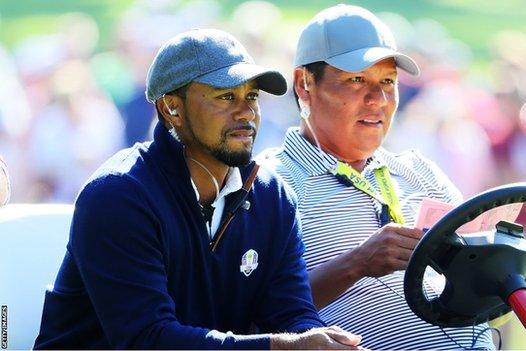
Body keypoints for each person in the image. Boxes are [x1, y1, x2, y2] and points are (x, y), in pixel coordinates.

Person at [33, 29, 362, 350]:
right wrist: (283, 347)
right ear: (171, 108)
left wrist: (322, 344)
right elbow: (147, 340)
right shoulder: (118, 195)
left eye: (251, 96)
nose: (246, 111)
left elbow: (291, 312)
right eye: (226, 96)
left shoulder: (273, 197)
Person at [259, 5, 494, 349]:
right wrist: (357, 263)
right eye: (357, 80)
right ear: (304, 84)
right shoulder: (270, 184)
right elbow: (247, 312)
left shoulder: (420, 170)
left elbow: (490, 304)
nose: (379, 100)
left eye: (388, 81)